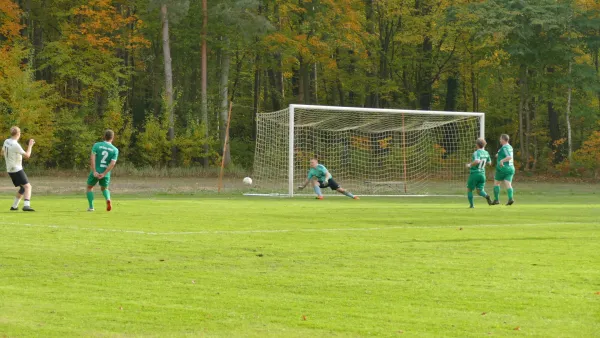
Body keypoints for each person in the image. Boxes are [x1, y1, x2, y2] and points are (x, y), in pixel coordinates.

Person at [2, 126, 35, 211]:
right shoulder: (15, 144)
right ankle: (26, 206)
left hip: (10, 169)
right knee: (28, 187)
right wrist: (30, 145)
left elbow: (2, 152)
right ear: (18, 134)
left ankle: (14, 206)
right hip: (16, 169)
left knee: (23, 188)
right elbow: (27, 155)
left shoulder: (7, 141)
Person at [86, 130, 119, 211]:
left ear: (104, 136)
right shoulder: (115, 150)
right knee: (104, 188)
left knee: (89, 187)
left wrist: (94, 171)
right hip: (105, 173)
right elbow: (112, 163)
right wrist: (104, 173)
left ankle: (91, 207)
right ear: (112, 138)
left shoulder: (96, 145)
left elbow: (92, 158)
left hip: (96, 170)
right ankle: (108, 199)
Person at [466, 138, 493, 208]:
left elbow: (477, 161)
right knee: (479, 191)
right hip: (482, 174)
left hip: (475, 173)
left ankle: (471, 205)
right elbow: (489, 163)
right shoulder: (486, 153)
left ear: (477, 145)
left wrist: (469, 165)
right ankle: (487, 196)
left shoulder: (477, 152)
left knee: (469, 189)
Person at [493, 134, 515, 206]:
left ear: (503, 139)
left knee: (496, 183)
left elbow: (509, 157)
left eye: (500, 139)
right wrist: (498, 155)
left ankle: (496, 200)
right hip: (511, 168)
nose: (499, 140)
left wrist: (502, 161)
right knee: (508, 184)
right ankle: (510, 199)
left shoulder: (505, 147)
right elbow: (504, 154)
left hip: (503, 169)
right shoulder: (509, 147)